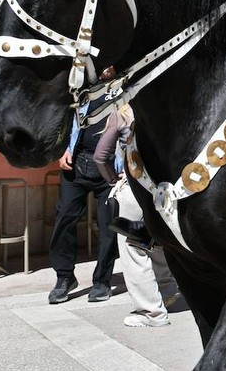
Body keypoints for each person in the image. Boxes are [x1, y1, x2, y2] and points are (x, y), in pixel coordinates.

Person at [94, 105, 178, 327]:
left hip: (135, 185)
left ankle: (151, 311)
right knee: (158, 240)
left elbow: (100, 156)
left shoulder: (122, 113)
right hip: (166, 188)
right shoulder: (163, 109)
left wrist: (114, 181)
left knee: (133, 248)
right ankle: (168, 290)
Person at [47, 98, 120, 304]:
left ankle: (102, 281)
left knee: (108, 226)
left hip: (110, 169)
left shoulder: (124, 92)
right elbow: (61, 121)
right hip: (76, 164)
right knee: (64, 218)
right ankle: (64, 277)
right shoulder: (83, 90)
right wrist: (63, 150)